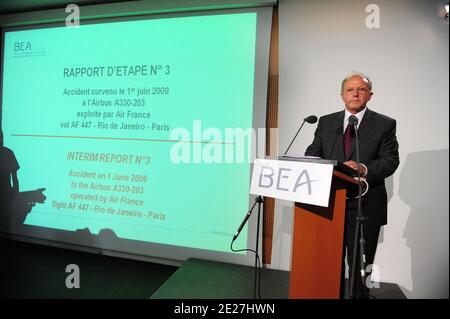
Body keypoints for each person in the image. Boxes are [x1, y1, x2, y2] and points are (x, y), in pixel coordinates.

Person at [305, 73, 399, 298]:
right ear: (341, 95)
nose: (355, 93)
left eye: (361, 89)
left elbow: (390, 160)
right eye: (350, 89)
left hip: (365, 206)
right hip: (330, 204)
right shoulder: (326, 122)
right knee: (329, 263)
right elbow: (312, 153)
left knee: (360, 268)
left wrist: (364, 168)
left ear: (370, 95)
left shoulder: (385, 124)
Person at [0, 129, 20, 211]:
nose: (1, 140)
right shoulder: (9, 153)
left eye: (2, 137)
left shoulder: (9, 153)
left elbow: (15, 179)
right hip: (7, 196)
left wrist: (15, 197)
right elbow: (15, 178)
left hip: (6, 196)